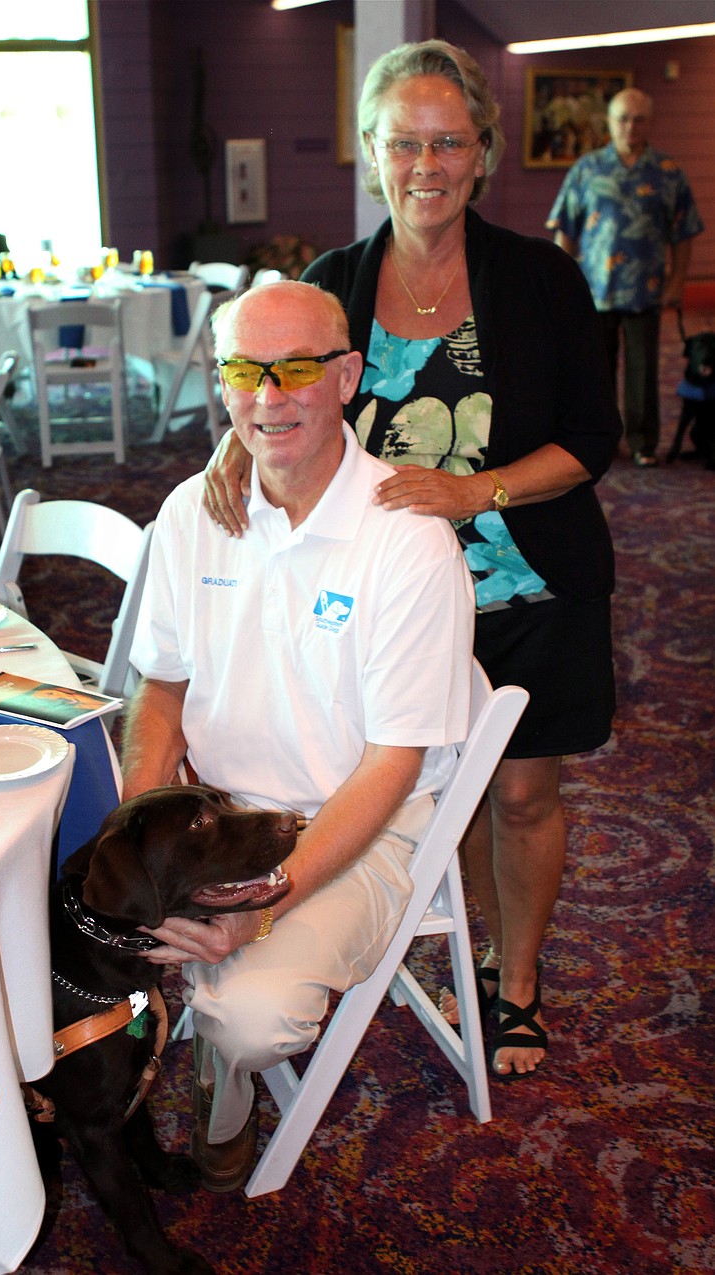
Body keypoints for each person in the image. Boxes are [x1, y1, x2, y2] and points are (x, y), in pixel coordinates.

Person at [201, 40, 622, 1081]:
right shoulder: (332, 280)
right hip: (376, 599)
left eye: (447, 143)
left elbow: (591, 442)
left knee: (517, 795)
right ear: (371, 154)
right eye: (403, 144)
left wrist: (472, 490)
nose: (424, 165)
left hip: (525, 587)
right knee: (421, 792)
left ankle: (512, 983)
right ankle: (433, 933)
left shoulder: (540, 280)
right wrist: (227, 441)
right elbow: (274, 386)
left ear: (481, 154)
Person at [121, 279, 475, 1191]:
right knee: (55, 896)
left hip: (355, 819)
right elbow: (161, 689)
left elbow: (392, 765)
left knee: (249, 1020)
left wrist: (263, 898)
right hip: (218, 811)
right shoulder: (195, 511)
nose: (268, 395)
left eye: (297, 369)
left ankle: (219, 1077)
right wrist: (140, 839)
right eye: (245, 369)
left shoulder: (406, 541)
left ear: (349, 375)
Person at [547, 87, 704, 467]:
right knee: (593, 372)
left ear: (649, 123)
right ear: (609, 122)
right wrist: (562, 282)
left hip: (644, 290)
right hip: (593, 290)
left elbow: (684, 232)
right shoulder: (587, 169)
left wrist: (677, 281)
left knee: (642, 372)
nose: (630, 126)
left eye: (638, 119)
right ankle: (595, 441)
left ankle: (642, 442)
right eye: (622, 118)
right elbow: (565, 229)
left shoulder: (668, 173)